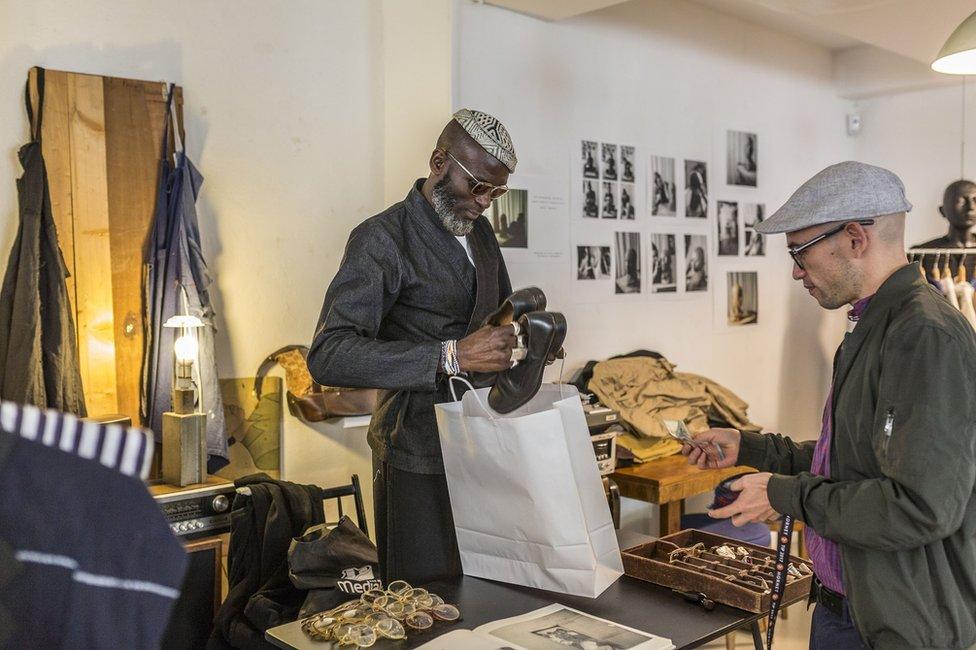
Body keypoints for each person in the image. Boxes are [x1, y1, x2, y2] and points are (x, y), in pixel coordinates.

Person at [682, 161, 976, 649]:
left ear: (856, 238)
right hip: (849, 607)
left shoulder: (924, 335)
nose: (796, 269)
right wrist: (751, 448)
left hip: (899, 626)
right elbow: (853, 459)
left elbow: (921, 506)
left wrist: (785, 494)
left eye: (800, 251)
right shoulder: (870, 325)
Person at [308, 109, 521, 586]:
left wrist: (520, 342)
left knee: (483, 593)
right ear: (439, 161)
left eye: (497, 192)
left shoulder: (481, 233)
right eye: (478, 187)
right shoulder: (382, 238)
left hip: (481, 440)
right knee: (422, 596)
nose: (486, 202)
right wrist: (450, 356)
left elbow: (496, 316)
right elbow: (329, 353)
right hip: (414, 448)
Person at [911, 179, 976, 280]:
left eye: (975, 200)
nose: (971, 207)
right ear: (943, 210)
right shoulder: (922, 255)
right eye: (961, 201)